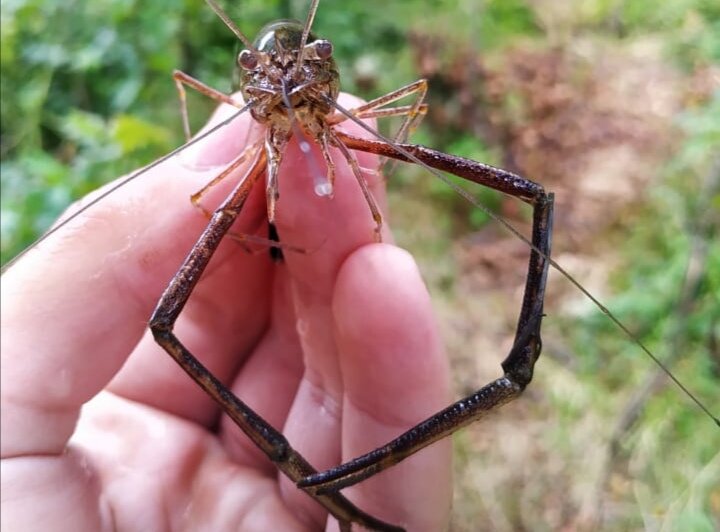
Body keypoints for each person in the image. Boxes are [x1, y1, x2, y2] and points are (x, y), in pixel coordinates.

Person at [1, 94, 453, 531]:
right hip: (258, 204)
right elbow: (199, 200)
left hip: (306, 234)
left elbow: (415, 102)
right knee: (170, 317)